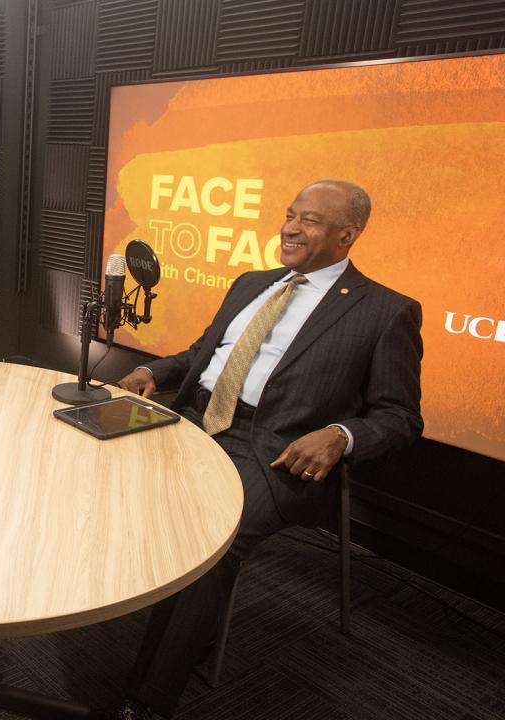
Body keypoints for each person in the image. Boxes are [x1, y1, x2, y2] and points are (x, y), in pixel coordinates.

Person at [109, 180, 423, 719]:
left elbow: (399, 417)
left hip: (271, 447)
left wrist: (341, 436)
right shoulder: (252, 282)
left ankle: (147, 700)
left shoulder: (385, 311)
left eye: (311, 221)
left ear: (348, 235)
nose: (290, 228)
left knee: (210, 543)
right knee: (82, 458)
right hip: (191, 418)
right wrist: (150, 371)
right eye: (289, 214)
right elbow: (200, 354)